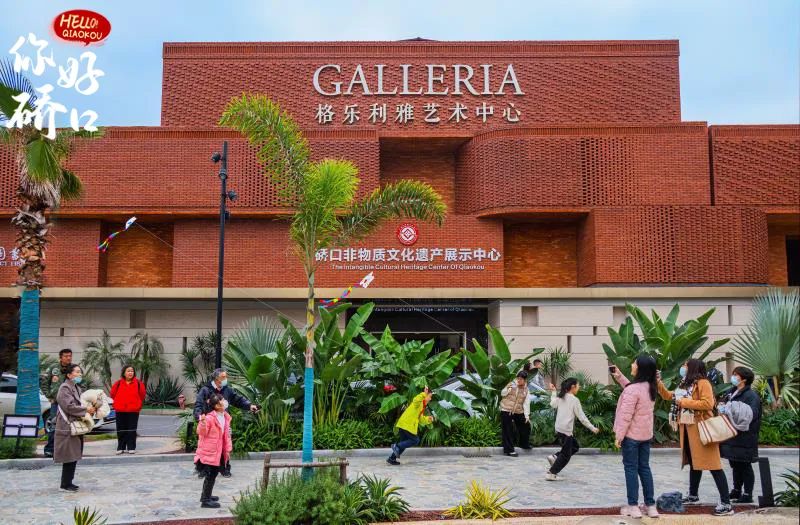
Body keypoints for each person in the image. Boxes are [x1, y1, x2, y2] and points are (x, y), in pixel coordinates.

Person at [658, 358, 734, 516]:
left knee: (714, 466)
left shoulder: (703, 383)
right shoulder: (684, 384)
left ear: (692, 368)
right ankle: (693, 495)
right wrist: (658, 383)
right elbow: (669, 396)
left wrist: (684, 402)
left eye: (685, 365)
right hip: (688, 430)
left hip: (701, 430)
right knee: (694, 463)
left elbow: (708, 404)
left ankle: (726, 504)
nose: (683, 367)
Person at [611, 357, 659, 519]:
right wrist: (619, 376)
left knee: (631, 469)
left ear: (640, 369)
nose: (632, 365)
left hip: (631, 437)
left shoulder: (633, 389)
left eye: (634, 363)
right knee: (644, 468)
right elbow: (633, 389)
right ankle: (651, 506)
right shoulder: (650, 386)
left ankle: (633, 506)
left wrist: (619, 436)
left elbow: (626, 416)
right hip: (645, 435)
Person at [193, 368, 258, 477]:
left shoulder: (227, 390)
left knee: (224, 445)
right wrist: (200, 418)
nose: (225, 379)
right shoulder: (205, 390)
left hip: (223, 422)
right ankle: (203, 468)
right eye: (223, 377)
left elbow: (238, 399)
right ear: (216, 378)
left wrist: (249, 406)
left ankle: (224, 468)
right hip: (209, 424)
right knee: (207, 446)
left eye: (226, 376)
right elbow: (198, 405)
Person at [719, 366, 761, 504]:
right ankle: (736, 490)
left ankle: (748, 494)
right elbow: (724, 404)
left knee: (745, 465)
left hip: (745, 436)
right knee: (735, 463)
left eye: (736, 375)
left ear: (744, 379)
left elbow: (752, 414)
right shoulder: (731, 392)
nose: (733, 377)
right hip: (732, 434)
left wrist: (731, 410)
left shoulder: (751, 396)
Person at [546, 377, 599, 481]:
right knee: (566, 456)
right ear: (573, 386)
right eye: (578, 385)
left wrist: (553, 392)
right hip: (566, 431)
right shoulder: (574, 400)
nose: (579, 387)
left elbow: (552, 404)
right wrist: (592, 428)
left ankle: (555, 457)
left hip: (559, 428)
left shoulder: (561, 397)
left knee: (575, 447)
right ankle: (551, 473)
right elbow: (582, 417)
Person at [55, 364, 95, 492]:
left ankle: (69, 482)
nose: (80, 374)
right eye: (77, 372)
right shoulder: (65, 388)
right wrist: (85, 410)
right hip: (67, 426)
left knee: (73, 454)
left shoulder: (76, 387)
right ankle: (65, 484)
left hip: (74, 424)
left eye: (80, 372)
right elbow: (69, 406)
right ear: (69, 375)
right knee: (69, 455)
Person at [195, 393, 232, 508]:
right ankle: (205, 500)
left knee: (214, 473)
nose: (225, 402)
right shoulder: (210, 418)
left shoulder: (225, 416)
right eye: (222, 400)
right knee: (211, 474)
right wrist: (202, 422)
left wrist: (228, 449)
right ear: (217, 405)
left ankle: (207, 495)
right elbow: (201, 432)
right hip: (210, 452)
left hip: (218, 451)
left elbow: (226, 435)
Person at [387, 386, 434, 465]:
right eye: (430, 396)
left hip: (404, 424)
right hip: (407, 424)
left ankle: (392, 458)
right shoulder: (419, 403)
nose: (430, 399)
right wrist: (424, 393)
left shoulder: (422, 406)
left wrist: (428, 419)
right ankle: (396, 446)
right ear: (425, 396)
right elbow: (415, 400)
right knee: (415, 440)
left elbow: (421, 419)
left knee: (404, 443)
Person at [110, 365, 146, 454]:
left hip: (133, 410)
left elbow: (142, 395)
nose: (130, 373)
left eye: (132, 371)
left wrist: (137, 404)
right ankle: (120, 447)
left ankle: (131, 447)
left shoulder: (138, 383)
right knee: (120, 429)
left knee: (132, 429)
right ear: (124, 373)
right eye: (128, 371)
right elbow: (112, 394)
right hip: (120, 410)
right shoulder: (118, 383)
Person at [44, 349, 73, 458]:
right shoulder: (53, 368)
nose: (68, 358)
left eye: (70, 356)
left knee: (70, 426)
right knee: (54, 425)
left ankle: (67, 450)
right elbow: (44, 381)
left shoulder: (74, 368)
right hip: (56, 403)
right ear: (60, 357)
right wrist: (49, 396)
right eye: (66, 356)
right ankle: (49, 450)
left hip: (70, 403)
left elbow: (82, 383)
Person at [500, 371, 531, 457]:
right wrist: (507, 388)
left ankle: (524, 444)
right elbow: (502, 393)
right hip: (506, 409)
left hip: (518, 411)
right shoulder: (512, 385)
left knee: (526, 425)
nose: (519, 380)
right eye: (518, 378)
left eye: (521, 379)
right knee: (508, 430)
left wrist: (526, 416)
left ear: (525, 380)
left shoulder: (526, 390)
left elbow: (526, 403)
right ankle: (509, 450)